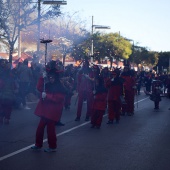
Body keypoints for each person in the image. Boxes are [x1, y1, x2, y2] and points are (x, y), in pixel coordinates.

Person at [31, 68, 67, 152]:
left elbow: (59, 99)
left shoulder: (60, 87)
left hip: (53, 112)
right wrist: (41, 78)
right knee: (40, 128)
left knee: (50, 130)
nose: (51, 79)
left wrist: (46, 96)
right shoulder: (47, 85)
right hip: (45, 110)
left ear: (56, 78)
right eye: (50, 77)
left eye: (52, 78)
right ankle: (38, 144)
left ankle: (52, 146)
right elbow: (39, 87)